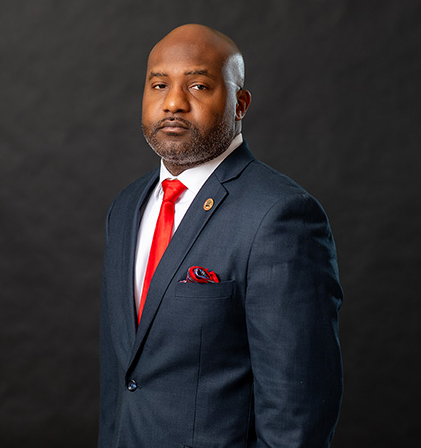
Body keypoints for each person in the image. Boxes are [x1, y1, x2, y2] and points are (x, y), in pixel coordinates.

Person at [99, 23, 343, 448]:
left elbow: (297, 411)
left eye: (198, 85)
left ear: (240, 103)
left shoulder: (280, 216)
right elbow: (126, 379)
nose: (173, 102)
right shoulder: (126, 207)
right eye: (159, 84)